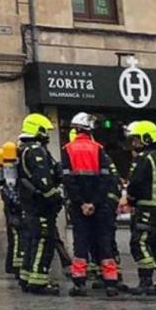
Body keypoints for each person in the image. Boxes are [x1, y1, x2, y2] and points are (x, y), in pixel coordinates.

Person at [62, 112, 119, 297]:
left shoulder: (68, 149)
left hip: (79, 207)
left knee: (81, 242)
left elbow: (68, 180)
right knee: (103, 241)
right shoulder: (98, 148)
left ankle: (79, 283)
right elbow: (105, 178)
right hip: (99, 205)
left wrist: (81, 203)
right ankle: (110, 281)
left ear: (76, 129)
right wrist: (95, 202)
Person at [123, 121, 156, 296]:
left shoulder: (143, 158)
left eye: (136, 139)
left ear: (146, 138)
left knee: (139, 242)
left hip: (147, 209)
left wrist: (129, 199)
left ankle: (145, 280)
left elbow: (135, 183)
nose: (134, 143)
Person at [17, 113, 64, 295]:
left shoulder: (23, 149)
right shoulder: (35, 150)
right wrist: (55, 197)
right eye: (45, 131)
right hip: (41, 205)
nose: (47, 135)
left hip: (30, 205)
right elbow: (42, 178)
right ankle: (38, 281)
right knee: (43, 242)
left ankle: (27, 277)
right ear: (39, 130)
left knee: (31, 242)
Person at [0, 142, 24, 276]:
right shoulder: (16, 165)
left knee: (13, 236)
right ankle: (16, 265)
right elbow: (12, 187)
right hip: (14, 204)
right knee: (17, 236)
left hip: (9, 203)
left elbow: (0, 184)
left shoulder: (4, 167)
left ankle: (11, 265)